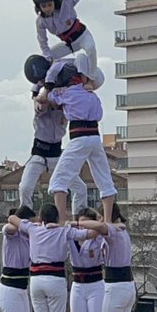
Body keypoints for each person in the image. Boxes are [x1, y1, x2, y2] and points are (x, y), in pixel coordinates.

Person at [7, 206, 95, 312]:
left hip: (36, 280)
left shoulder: (33, 229)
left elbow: (12, 219)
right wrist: (70, 223)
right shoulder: (64, 231)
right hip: (56, 279)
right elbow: (90, 233)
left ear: (41, 219)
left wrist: (36, 225)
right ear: (57, 218)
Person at [40, 59, 117, 225]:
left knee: (58, 181)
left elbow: (47, 100)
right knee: (104, 179)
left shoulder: (66, 93)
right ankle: (109, 220)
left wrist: (47, 88)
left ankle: (61, 221)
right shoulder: (93, 96)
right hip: (95, 137)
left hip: (79, 137)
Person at [19, 65, 87, 215]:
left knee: (81, 189)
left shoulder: (67, 104)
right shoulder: (40, 105)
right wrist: (47, 88)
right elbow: (41, 103)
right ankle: (25, 219)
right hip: (39, 153)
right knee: (25, 188)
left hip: (57, 154)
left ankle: (79, 218)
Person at [95, 204, 136, 312]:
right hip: (128, 284)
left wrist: (73, 223)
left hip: (116, 285)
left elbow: (99, 227)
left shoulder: (113, 231)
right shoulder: (121, 231)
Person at [69, 213, 106, 312]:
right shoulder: (71, 236)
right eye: (80, 225)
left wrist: (97, 221)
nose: (83, 230)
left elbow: (103, 225)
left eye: (86, 225)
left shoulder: (98, 237)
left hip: (95, 284)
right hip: (78, 285)